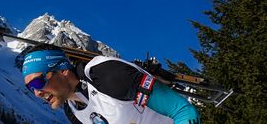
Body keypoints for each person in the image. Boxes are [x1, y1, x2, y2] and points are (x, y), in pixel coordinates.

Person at [22, 44, 200, 124]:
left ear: (62, 70)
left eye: (38, 82)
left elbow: (183, 111)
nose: (37, 92)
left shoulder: (104, 74)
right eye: (30, 88)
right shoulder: (72, 111)